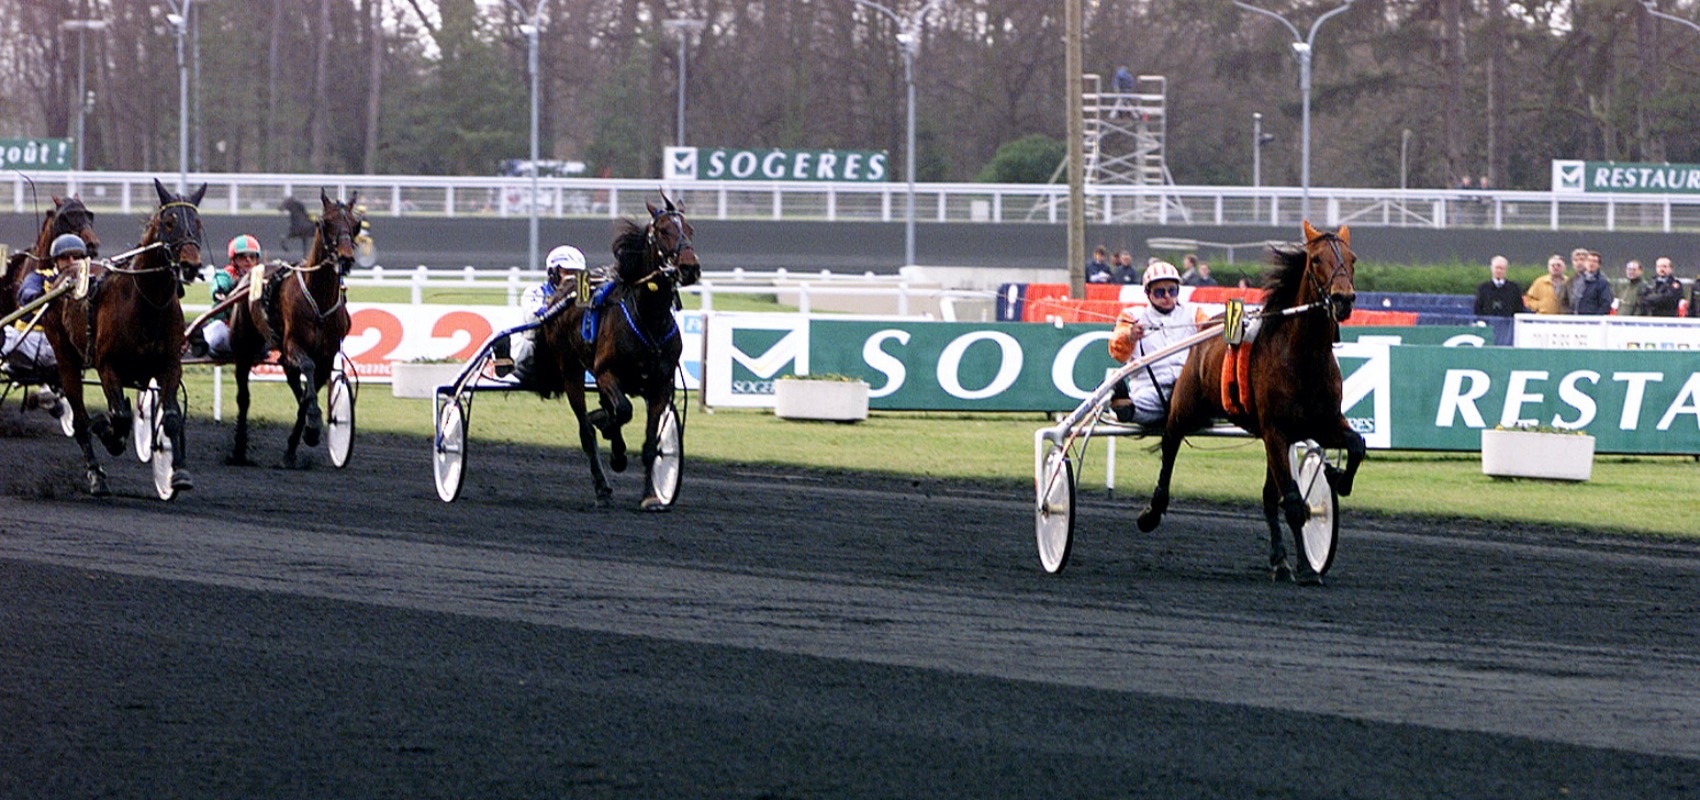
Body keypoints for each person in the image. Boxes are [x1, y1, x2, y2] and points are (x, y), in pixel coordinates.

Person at [1106, 261, 1192, 426]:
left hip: (1186, 388)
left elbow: (1219, 331)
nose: (1167, 296)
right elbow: (1116, 350)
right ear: (1148, 293)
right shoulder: (1132, 316)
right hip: (1151, 389)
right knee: (1141, 404)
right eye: (1160, 292)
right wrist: (1130, 336)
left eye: (1172, 291)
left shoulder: (1193, 313)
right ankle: (1126, 409)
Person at [4, 232, 83, 381]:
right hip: (28, 341)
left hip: (65, 345)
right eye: (65, 257)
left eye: (76, 257)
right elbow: (25, 294)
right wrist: (45, 294)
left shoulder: (86, 284)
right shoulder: (39, 276)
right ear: (56, 261)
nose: (71, 262)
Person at [506, 244, 586, 384]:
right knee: (523, 343)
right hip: (539, 353)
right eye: (567, 272)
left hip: (575, 352)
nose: (572, 278)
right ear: (553, 273)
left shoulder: (584, 294)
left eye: (576, 273)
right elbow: (534, 317)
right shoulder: (535, 292)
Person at [197, 235, 265, 358]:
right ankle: (202, 341)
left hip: (250, 330)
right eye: (243, 257)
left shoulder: (262, 278)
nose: (248, 260)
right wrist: (221, 292)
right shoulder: (226, 275)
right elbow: (219, 285)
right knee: (217, 334)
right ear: (234, 260)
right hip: (226, 326)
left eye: (252, 257)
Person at [1570, 250, 1613, 315]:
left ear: (1598, 265)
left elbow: (1606, 304)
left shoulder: (1603, 282)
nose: (1591, 263)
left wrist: (1596, 319)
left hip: (1592, 321)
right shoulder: (1576, 279)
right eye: (1589, 260)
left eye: (1594, 261)